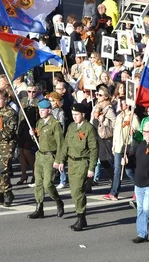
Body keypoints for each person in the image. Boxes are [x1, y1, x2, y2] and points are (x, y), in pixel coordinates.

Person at [27, 99, 66, 219]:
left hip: (50, 156)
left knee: (48, 183)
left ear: (49, 110)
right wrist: (33, 135)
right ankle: (39, 208)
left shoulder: (55, 124)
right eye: (39, 110)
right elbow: (39, 139)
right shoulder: (40, 123)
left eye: (43, 110)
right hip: (40, 155)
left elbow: (61, 144)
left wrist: (59, 160)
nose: (40, 112)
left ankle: (58, 201)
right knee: (38, 183)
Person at [62, 103, 98, 231]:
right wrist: (61, 160)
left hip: (82, 162)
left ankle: (81, 217)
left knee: (78, 190)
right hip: (71, 163)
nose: (74, 117)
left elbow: (94, 150)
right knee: (74, 191)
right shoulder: (71, 127)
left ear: (83, 115)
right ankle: (81, 217)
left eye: (77, 115)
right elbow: (65, 145)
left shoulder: (89, 128)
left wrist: (91, 168)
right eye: (73, 115)